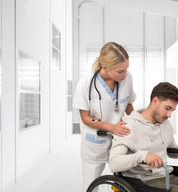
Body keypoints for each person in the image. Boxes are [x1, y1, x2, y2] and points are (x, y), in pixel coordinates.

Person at [109, 82, 178, 192]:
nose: (169, 115)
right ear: (155, 101)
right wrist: (142, 156)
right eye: (167, 108)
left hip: (166, 175)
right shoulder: (129, 125)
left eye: (172, 110)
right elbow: (114, 163)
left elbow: (171, 150)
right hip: (142, 181)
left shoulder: (165, 124)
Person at [73, 42, 136, 191]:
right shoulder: (86, 84)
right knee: (91, 187)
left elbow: (128, 104)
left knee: (124, 184)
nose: (125, 74)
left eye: (126, 69)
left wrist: (137, 123)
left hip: (120, 140)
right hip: (95, 143)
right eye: (121, 71)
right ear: (105, 67)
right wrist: (111, 127)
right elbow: (86, 117)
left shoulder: (127, 79)